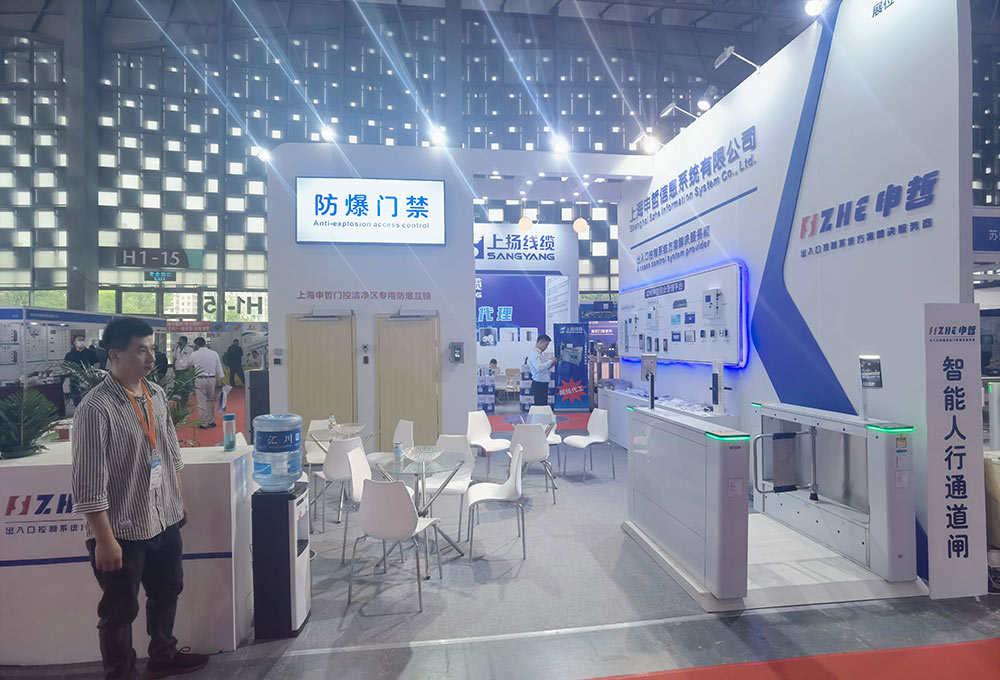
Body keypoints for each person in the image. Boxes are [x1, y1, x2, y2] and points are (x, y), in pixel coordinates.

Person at [71, 317, 209, 679]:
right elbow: (88, 482)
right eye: (141, 350)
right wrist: (104, 540)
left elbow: (170, 452)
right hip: (122, 529)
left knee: (167, 590)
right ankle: (121, 672)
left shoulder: (155, 394)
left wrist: (177, 501)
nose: (151, 357)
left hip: (163, 518)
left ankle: (163, 654)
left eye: (152, 348)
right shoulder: (95, 408)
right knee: (119, 610)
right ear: (115, 355)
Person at [190, 337, 223, 429]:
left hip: (200, 379)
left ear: (196, 345)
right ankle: (211, 421)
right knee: (210, 400)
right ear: (205, 343)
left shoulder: (194, 354)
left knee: (201, 401)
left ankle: (204, 423)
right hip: (212, 378)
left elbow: (187, 364)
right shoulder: (214, 353)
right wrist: (222, 379)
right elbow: (219, 367)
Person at [527, 334, 555, 406]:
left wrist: (551, 364)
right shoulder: (535, 354)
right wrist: (550, 361)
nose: (546, 347)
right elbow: (539, 367)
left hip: (542, 382)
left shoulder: (539, 353)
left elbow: (542, 368)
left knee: (543, 405)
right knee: (540, 406)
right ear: (540, 343)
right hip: (539, 383)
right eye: (546, 345)